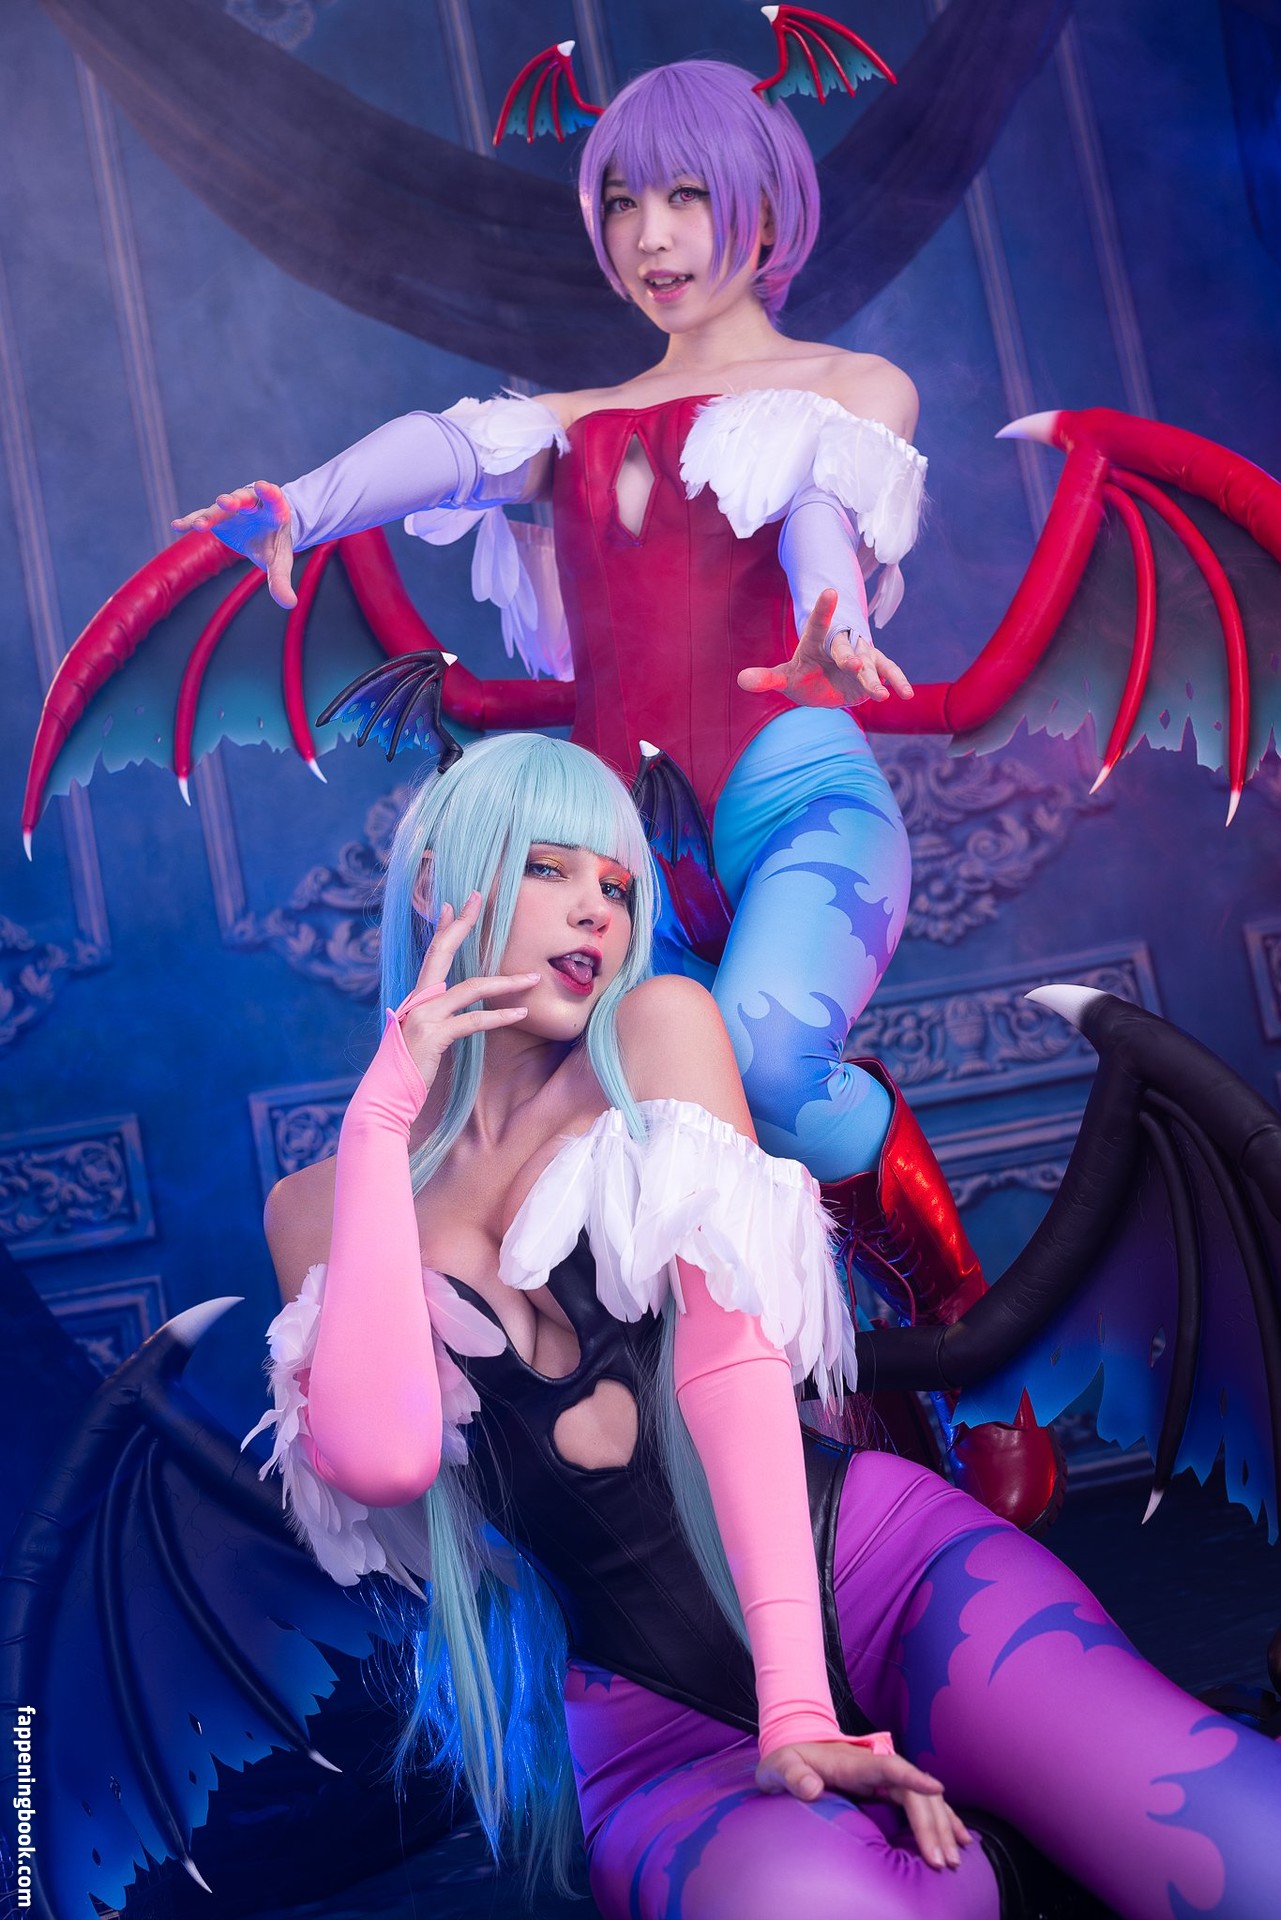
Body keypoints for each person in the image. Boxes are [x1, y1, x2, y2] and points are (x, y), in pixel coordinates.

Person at [176, 56, 1058, 1524]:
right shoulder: (572, 423)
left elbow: (819, 506)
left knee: (763, 1069)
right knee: (659, 1151)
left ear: (765, 207)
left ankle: (969, 1337)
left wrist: (834, 614)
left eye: (688, 197)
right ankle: (840, 1438)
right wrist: (300, 506)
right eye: (625, 203)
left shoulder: (846, 390)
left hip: (798, 802)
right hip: (625, 859)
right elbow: (440, 453)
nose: (652, 236)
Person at [252, 730, 1278, 1920]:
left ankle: (1024, 1814)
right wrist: (380, 1122)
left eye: (618, 886)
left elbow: (730, 1362)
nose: (595, 911)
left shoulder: (654, 1034)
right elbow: (382, 1461)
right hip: (649, 1725)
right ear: (438, 880)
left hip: (883, 1578)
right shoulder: (318, 1208)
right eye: (550, 868)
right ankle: (1014, 1855)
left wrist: (798, 1705)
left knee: (1241, 1859)